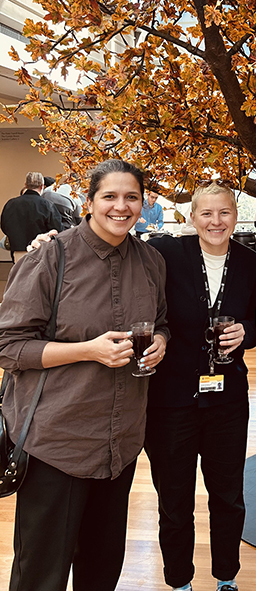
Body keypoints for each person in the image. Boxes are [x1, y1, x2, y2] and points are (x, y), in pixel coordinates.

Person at [0, 159, 168, 591]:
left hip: (120, 446)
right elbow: (8, 346)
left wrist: (162, 340)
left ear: (142, 203)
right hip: (57, 445)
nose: (121, 206)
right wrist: (88, 351)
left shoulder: (151, 262)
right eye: (109, 196)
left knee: (101, 571)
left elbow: (161, 321)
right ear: (89, 202)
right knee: (41, 576)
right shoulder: (51, 257)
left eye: (131, 197)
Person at [144, 181, 256, 591]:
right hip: (170, 401)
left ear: (236, 216)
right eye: (207, 213)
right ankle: (179, 581)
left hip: (228, 400)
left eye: (225, 213)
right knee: (174, 500)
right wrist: (51, 241)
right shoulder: (166, 254)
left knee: (228, 497)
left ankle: (226, 578)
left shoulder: (250, 263)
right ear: (191, 216)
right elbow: (116, 249)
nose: (216, 221)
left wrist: (246, 332)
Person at [1, 171, 62, 261]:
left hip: (18, 250)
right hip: (41, 251)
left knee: (20, 274)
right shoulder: (47, 205)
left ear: (26, 185)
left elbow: (4, 226)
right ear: (42, 186)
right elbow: (57, 228)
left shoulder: (11, 204)